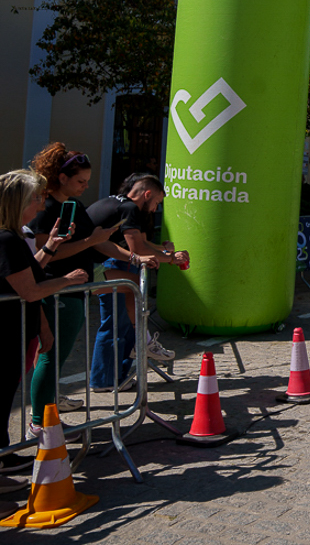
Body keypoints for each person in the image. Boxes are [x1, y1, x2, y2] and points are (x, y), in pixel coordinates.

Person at [26, 144, 157, 433]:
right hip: (57, 289)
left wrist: (133, 257)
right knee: (50, 355)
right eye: (80, 181)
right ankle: (40, 424)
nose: (86, 186)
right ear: (62, 178)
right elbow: (46, 253)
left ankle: (48, 412)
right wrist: (90, 242)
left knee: (54, 356)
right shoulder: (47, 208)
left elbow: (99, 242)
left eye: (87, 181)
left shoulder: (74, 206)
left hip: (73, 289)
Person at [0, 170, 85, 483]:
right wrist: (68, 280)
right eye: (35, 198)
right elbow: (30, 290)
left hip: (16, 331)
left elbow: (28, 274)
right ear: (18, 202)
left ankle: (5, 456)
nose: (40, 205)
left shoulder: (14, 236)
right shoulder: (7, 239)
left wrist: (50, 246)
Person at [86, 175, 187, 389]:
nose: (155, 209)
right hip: (97, 266)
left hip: (102, 264)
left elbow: (140, 244)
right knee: (116, 322)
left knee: (123, 316)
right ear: (147, 194)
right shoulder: (130, 208)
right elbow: (138, 249)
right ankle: (140, 346)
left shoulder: (116, 202)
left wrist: (165, 252)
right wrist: (170, 258)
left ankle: (138, 346)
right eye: (156, 202)